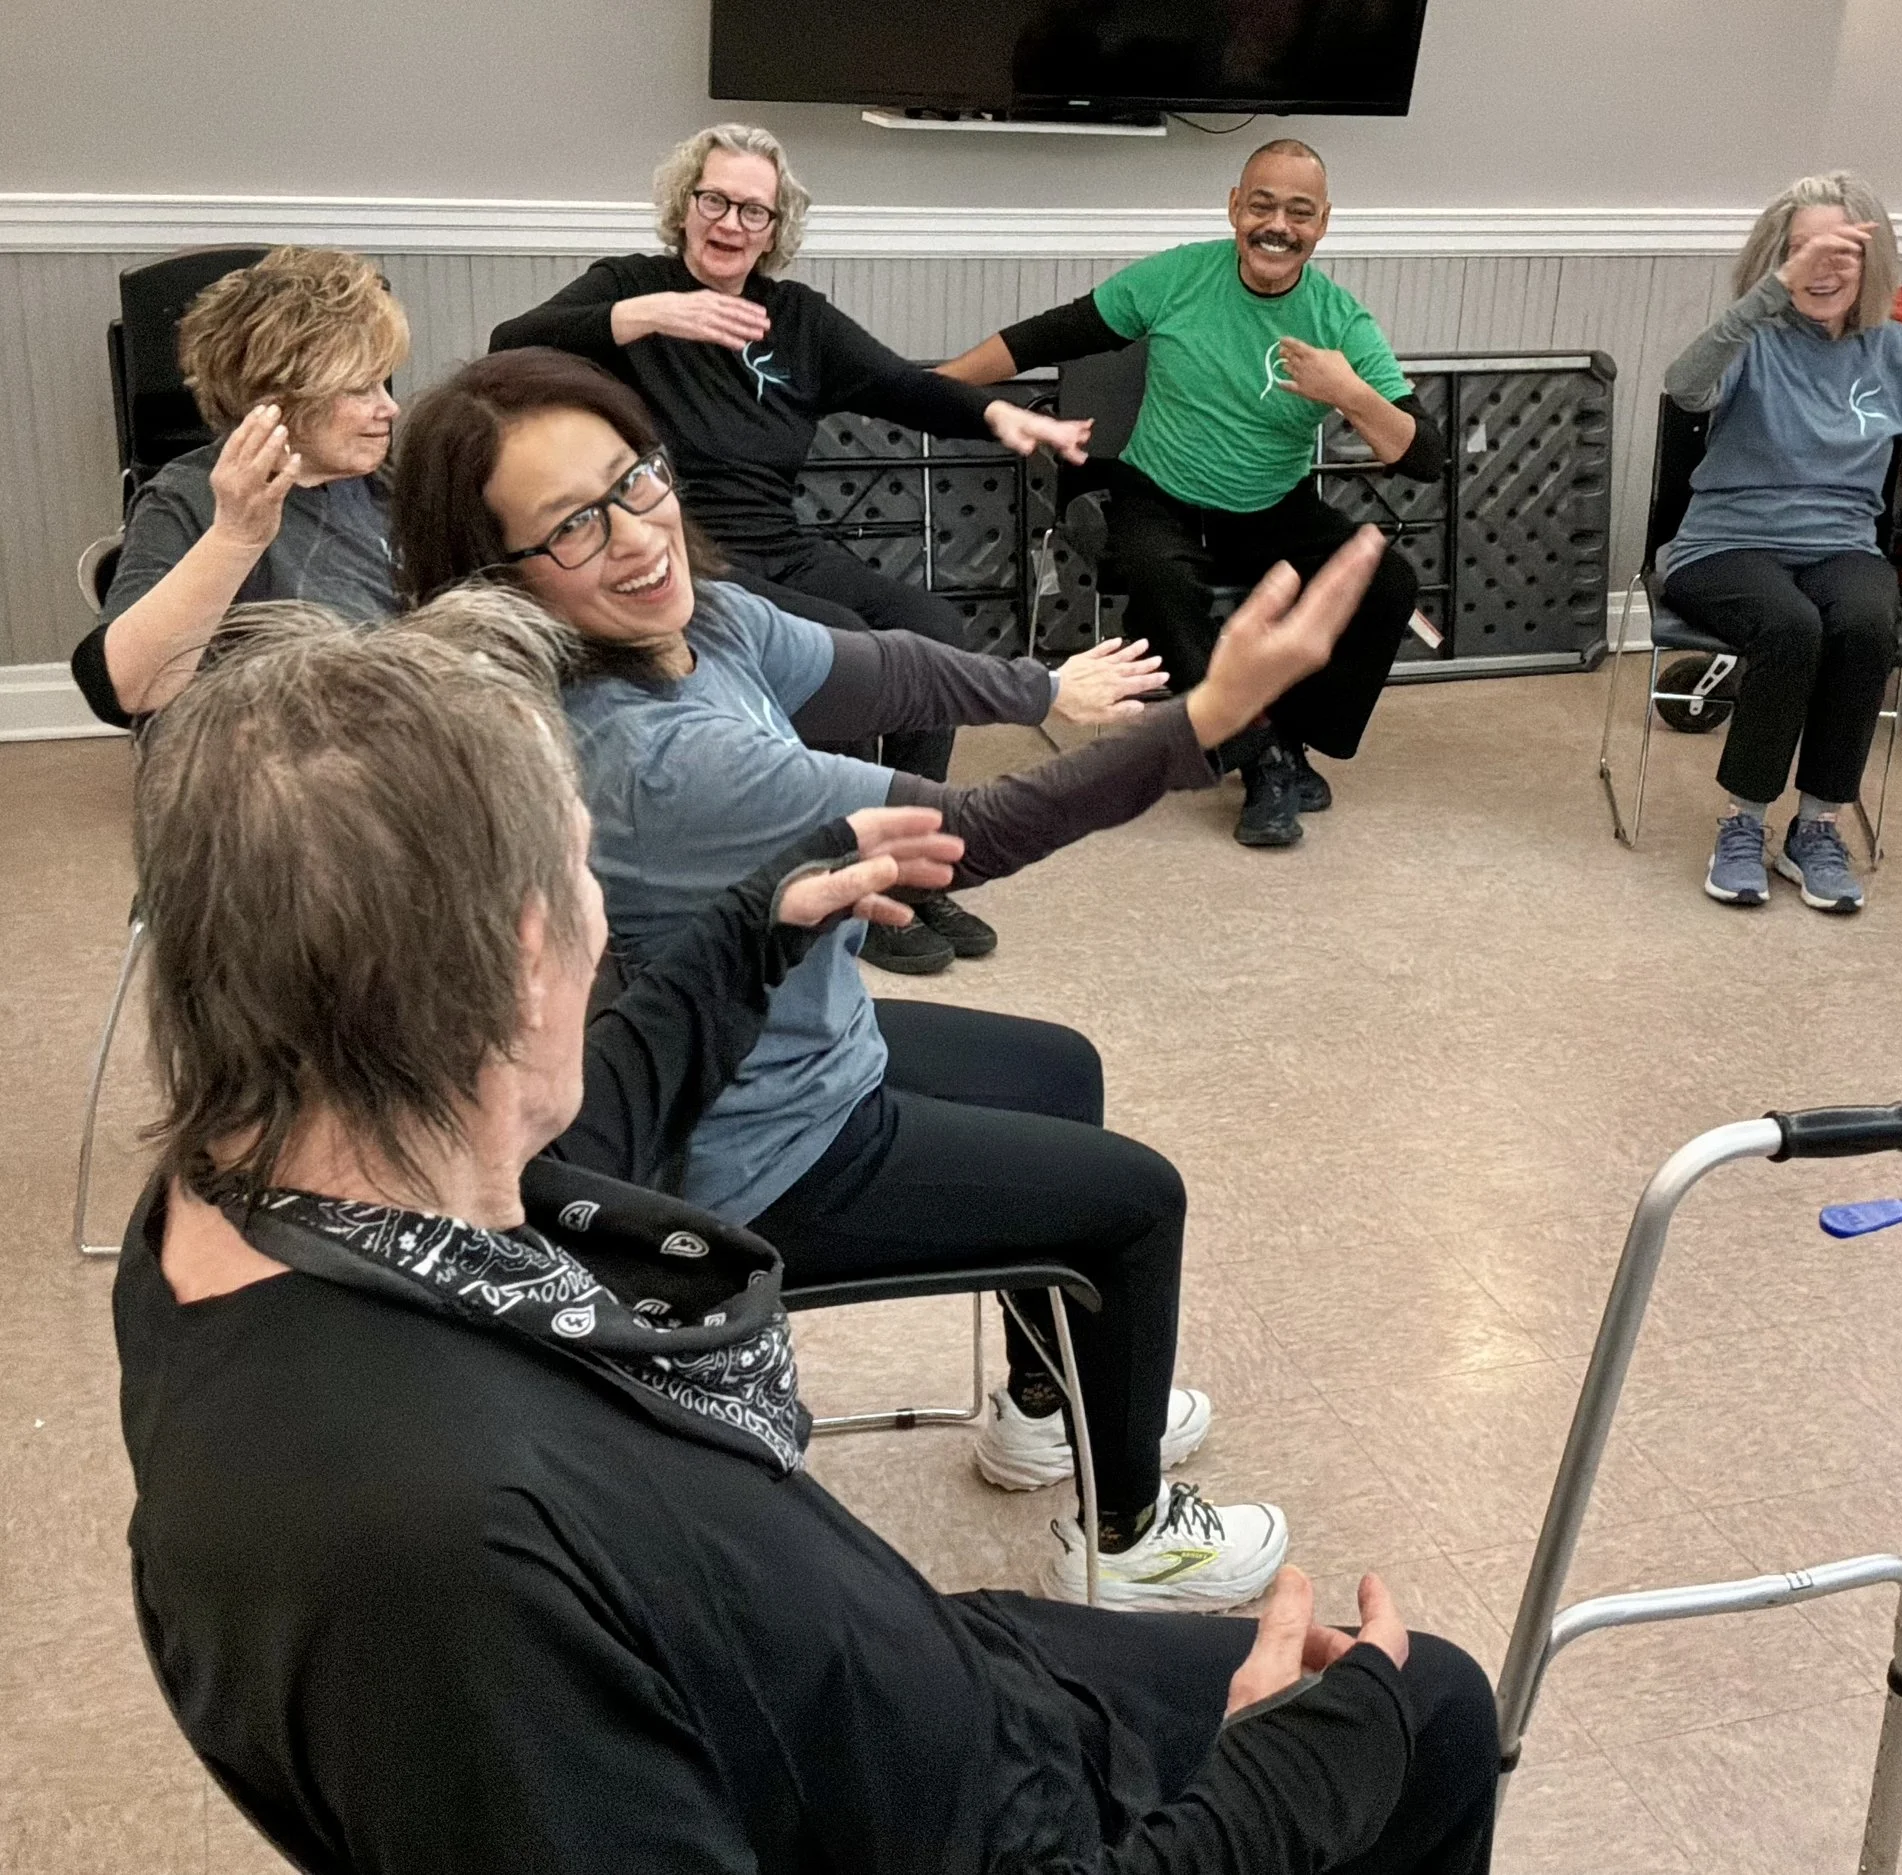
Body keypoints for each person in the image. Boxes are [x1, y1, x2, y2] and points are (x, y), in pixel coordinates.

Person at [115, 600, 1501, 1875]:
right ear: (524, 955)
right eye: (588, 877)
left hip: (898, 1689)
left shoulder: (273, 1201)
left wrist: (750, 927)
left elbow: (583, 1153)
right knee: (1422, 1714)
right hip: (957, 1817)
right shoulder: (442, 1568)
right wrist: (1256, 1812)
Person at [394, 346, 1399, 1607]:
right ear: (499, 578)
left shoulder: (698, 623)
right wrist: (1203, 719)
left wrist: (1043, 687)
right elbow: (963, 836)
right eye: (572, 526)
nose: (638, 534)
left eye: (634, 479)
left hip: (809, 1054)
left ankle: (1048, 1409)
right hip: (751, 1150)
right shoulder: (651, 758)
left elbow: (888, 667)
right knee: (1138, 1199)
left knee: (1057, 1071)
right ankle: (1132, 1538)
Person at [489, 122, 1094, 973]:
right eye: (715, 201)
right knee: (839, 648)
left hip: (781, 539)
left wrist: (998, 413)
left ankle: (908, 869)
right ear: (685, 205)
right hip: (685, 557)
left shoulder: (797, 319)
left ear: (776, 228)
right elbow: (508, 345)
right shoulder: (629, 288)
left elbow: (900, 384)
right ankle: (843, 876)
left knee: (932, 624)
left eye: (754, 211)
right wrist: (650, 314)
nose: (731, 223)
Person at [941, 138, 1446, 849]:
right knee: (1157, 581)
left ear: (1323, 224)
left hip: (1271, 505)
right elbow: (1051, 334)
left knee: (1388, 582)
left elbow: (1424, 458)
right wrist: (931, 386)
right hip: (1159, 493)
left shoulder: (1341, 321)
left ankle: (1288, 735)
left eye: (1299, 212)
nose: (1278, 226)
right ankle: (1260, 754)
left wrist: (1350, 392)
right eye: (1262, 205)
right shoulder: (1178, 277)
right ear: (1235, 208)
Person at [1655, 173, 1902, 914]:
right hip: (1724, 544)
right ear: (1777, 260)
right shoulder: (1751, 337)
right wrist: (1769, 294)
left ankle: (1816, 827)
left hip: (1840, 545)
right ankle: (1742, 822)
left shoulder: (1892, 349)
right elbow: (1685, 386)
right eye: (1804, 251)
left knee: (1868, 621)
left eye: (1841, 253)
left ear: (1871, 265)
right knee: (1790, 625)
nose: (1822, 269)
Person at [71, 246, 406, 726]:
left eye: (382, 383)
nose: (389, 408)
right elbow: (127, 689)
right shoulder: (188, 499)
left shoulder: (391, 485)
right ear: (274, 398)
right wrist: (236, 538)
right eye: (359, 388)